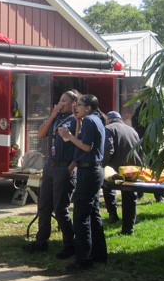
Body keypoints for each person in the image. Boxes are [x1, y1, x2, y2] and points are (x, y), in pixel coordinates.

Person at [23, 90, 79, 258]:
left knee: (60, 208)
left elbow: (80, 144)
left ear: (73, 104)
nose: (60, 104)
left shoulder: (76, 120)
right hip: (50, 166)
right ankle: (41, 242)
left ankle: (69, 245)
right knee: (44, 205)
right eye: (59, 100)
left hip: (64, 167)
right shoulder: (56, 118)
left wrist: (71, 167)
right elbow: (40, 134)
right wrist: (52, 115)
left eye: (64, 101)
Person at [60, 94, 108, 271]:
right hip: (94, 170)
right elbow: (84, 142)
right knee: (93, 213)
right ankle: (99, 253)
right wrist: (77, 123)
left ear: (88, 107)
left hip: (88, 171)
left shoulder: (89, 120)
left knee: (81, 216)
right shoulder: (93, 119)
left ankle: (83, 259)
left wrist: (68, 136)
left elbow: (87, 146)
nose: (75, 107)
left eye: (79, 104)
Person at [102, 111, 142, 235]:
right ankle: (128, 228)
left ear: (108, 119)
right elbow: (140, 149)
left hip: (116, 169)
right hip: (132, 168)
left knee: (107, 188)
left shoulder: (108, 128)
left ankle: (113, 215)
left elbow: (108, 149)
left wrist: (102, 165)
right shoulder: (132, 130)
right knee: (130, 197)